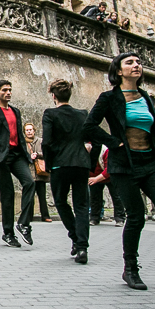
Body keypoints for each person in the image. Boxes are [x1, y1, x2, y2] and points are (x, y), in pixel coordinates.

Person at [84, 52, 155, 291]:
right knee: (135, 216)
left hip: (150, 163)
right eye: (130, 63)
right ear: (118, 71)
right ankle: (131, 268)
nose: (136, 65)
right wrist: (114, 143)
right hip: (124, 164)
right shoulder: (109, 97)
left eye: (138, 62)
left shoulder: (145, 96)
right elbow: (89, 127)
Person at [0, 80, 35, 248]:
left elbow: (19, 133)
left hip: (17, 154)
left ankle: (24, 223)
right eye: (4, 90)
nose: (8, 93)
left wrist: (26, 155)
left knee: (30, 182)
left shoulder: (15, 111)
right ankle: (8, 233)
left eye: (10, 90)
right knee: (8, 194)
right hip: (1, 157)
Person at [42, 79, 92, 263]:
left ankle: (75, 238)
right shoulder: (82, 114)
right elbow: (92, 139)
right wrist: (89, 160)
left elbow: (46, 142)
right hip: (81, 164)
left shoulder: (50, 114)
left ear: (53, 96)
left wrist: (48, 163)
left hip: (60, 164)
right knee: (81, 206)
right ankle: (82, 247)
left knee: (61, 202)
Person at [23, 123, 52, 222]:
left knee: (42, 196)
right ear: (24, 132)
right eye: (27, 130)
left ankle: (45, 216)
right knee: (29, 197)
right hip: (28, 173)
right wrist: (28, 157)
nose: (29, 131)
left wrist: (38, 154)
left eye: (31, 129)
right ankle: (28, 216)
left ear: (34, 131)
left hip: (40, 173)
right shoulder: (22, 142)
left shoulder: (40, 141)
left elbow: (48, 153)